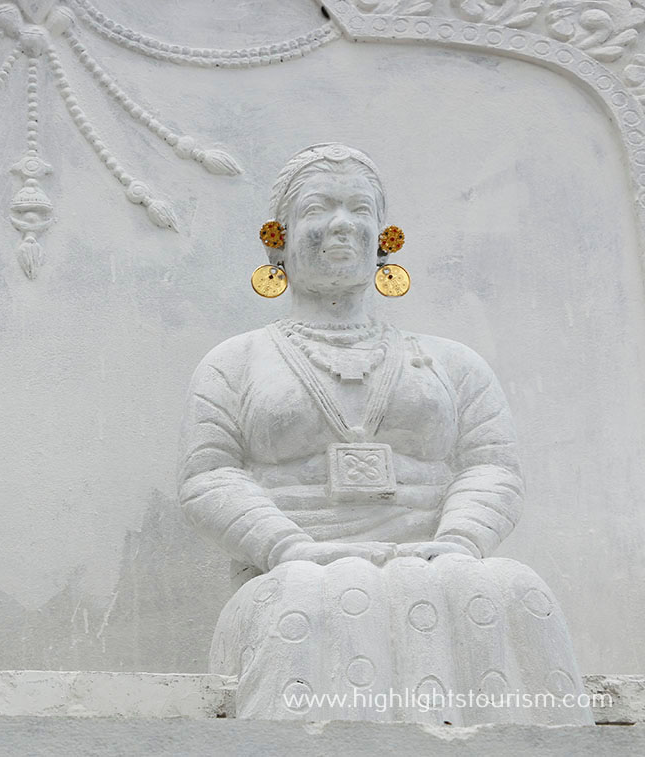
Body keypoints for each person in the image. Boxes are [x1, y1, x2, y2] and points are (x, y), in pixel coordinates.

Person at [178, 143, 590, 724]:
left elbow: (491, 464)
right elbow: (209, 475)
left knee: (509, 588)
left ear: (384, 238)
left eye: (359, 209)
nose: (341, 224)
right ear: (278, 237)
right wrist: (290, 547)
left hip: (438, 562)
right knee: (323, 595)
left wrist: (460, 541)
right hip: (295, 571)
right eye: (319, 207)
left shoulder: (454, 363)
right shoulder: (237, 361)